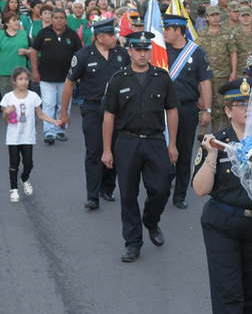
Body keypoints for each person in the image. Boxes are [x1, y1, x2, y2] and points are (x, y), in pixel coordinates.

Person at [191, 78, 252, 314]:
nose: (247, 109)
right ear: (228, 111)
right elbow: (200, 188)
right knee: (228, 293)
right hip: (223, 224)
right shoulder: (216, 141)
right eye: (240, 104)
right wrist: (213, 156)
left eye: (251, 104)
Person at [101, 31, 179, 262]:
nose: (142, 54)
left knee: (162, 188)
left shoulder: (162, 77)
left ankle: (151, 220)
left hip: (155, 140)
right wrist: (107, 149)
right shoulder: (118, 79)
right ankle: (133, 242)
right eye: (138, 49)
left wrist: (172, 143)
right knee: (128, 193)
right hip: (127, 142)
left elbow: (172, 110)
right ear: (130, 51)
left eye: (146, 49)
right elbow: (109, 115)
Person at [60, 19, 130, 210]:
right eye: (111, 35)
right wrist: (63, 112)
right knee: (94, 150)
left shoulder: (122, 55)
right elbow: (69, 84)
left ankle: (107, 188)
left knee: (115, 149)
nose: (115, 37)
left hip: (117, 111)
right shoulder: (83, 55)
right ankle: (92, 195)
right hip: (93, 109)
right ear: (100, 37)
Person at [163, 14, 212, 209]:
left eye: (167, 29)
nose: (164, 32)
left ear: (178, 30)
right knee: (161, 149)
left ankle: (180, 194)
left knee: (183, 150)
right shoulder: (161, 50)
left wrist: (207, 109)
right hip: (162, 108)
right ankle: (162, 186)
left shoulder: (197, 53)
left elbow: (205, 82)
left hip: (186, 107)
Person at [1, 67, 61, 203]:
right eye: (20, 79)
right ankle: (14, 189)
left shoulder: (33, 96)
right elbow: (6, 119)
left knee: (29, 164)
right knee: (14, 164)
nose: (24, 82)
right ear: (14, 81)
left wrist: (54, 121)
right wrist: (6, 112)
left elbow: (40, 114)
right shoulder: (8, 97)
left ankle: (24, 179)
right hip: (13, 137)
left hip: (28, 136)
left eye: (26, 79)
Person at [30, 8, 82, 145]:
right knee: (48, 104)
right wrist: (34, 70)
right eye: (56, 17)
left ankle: (61, 129)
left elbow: (80, 54)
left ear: (65, 20)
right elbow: (34, 51)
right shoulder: (43, 33)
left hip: (67, 79)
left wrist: (79, 74)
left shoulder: (72, 34)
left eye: (61, 17)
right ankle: (49, 132)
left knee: (63, 105)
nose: (59, 20)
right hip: (46, 77)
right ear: (51, 19)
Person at [197, 6, 237, 131]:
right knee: (205, 106)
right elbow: (196, 54)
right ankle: (203, 138)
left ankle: (222, 136)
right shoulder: (201, 34)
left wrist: (234, 72)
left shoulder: (227, 33)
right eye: (212, 15)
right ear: (207, 17)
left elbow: (233, 52)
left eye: (217, 15)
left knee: (223, 107)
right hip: (205, 77)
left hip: (223, 75)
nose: (215, 18)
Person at [0, 12, 32, 96]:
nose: (17, 22)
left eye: (18, 20)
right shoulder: (0, 34)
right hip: (4, 73)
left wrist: (26, 51)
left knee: (22, 98)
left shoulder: (24, 33)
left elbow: (32, 49)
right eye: (14, 20)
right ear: (7, 23)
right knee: (7, 101)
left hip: (21, 73)